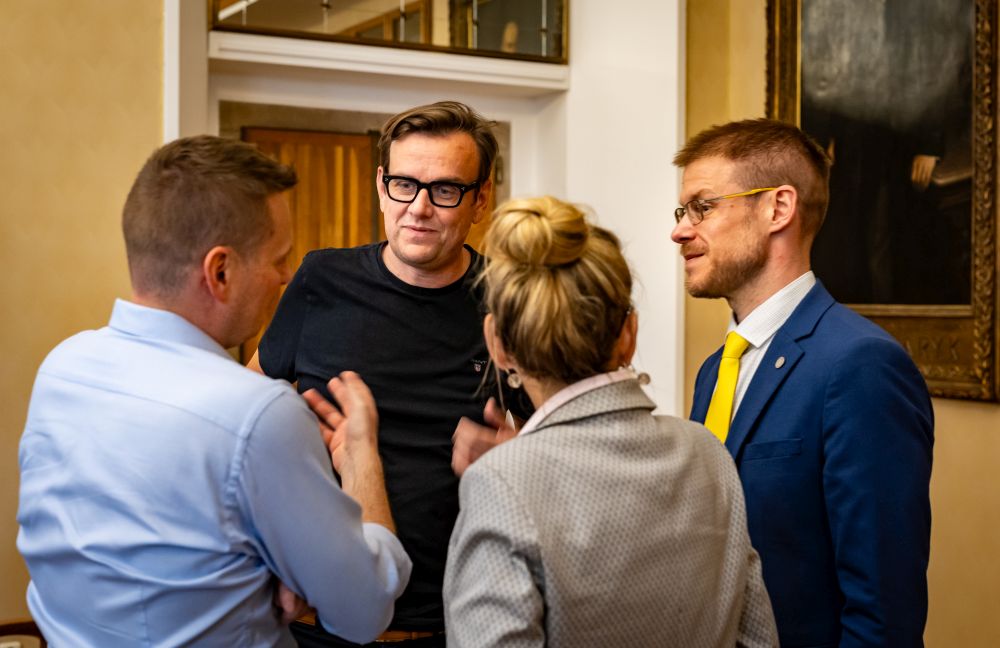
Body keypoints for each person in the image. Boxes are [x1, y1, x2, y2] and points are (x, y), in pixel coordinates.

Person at [17, 135, 411, 647]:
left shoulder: (62, 368)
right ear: (220, 272)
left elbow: (131, 554)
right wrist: (362, 463)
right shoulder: (256, 414)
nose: (285, 277)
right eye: (278, 259)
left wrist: (251, 577)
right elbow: (363, 611)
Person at [443, 196, 778, 647]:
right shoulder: (707, 453)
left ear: (498, 346)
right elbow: (758, 639)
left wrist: (519, 471)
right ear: (629, 334)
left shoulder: (499, 484)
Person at [250, 101, 520, 647]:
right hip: (316, 619)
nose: (418, 208)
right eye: (404, 184)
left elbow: (564, 450)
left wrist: (518, 460)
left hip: (454, 622)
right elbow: (241, 414)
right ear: (381, 185)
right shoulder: (321, 279)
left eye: (445, 190)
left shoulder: (511, 302)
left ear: (481, 199)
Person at [671, 119, 934, 647]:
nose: (680, 231)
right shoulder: (715, 370)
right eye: (682, 212)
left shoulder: (860, 365)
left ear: (778, 208)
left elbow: (883, 612)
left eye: (703, 207)